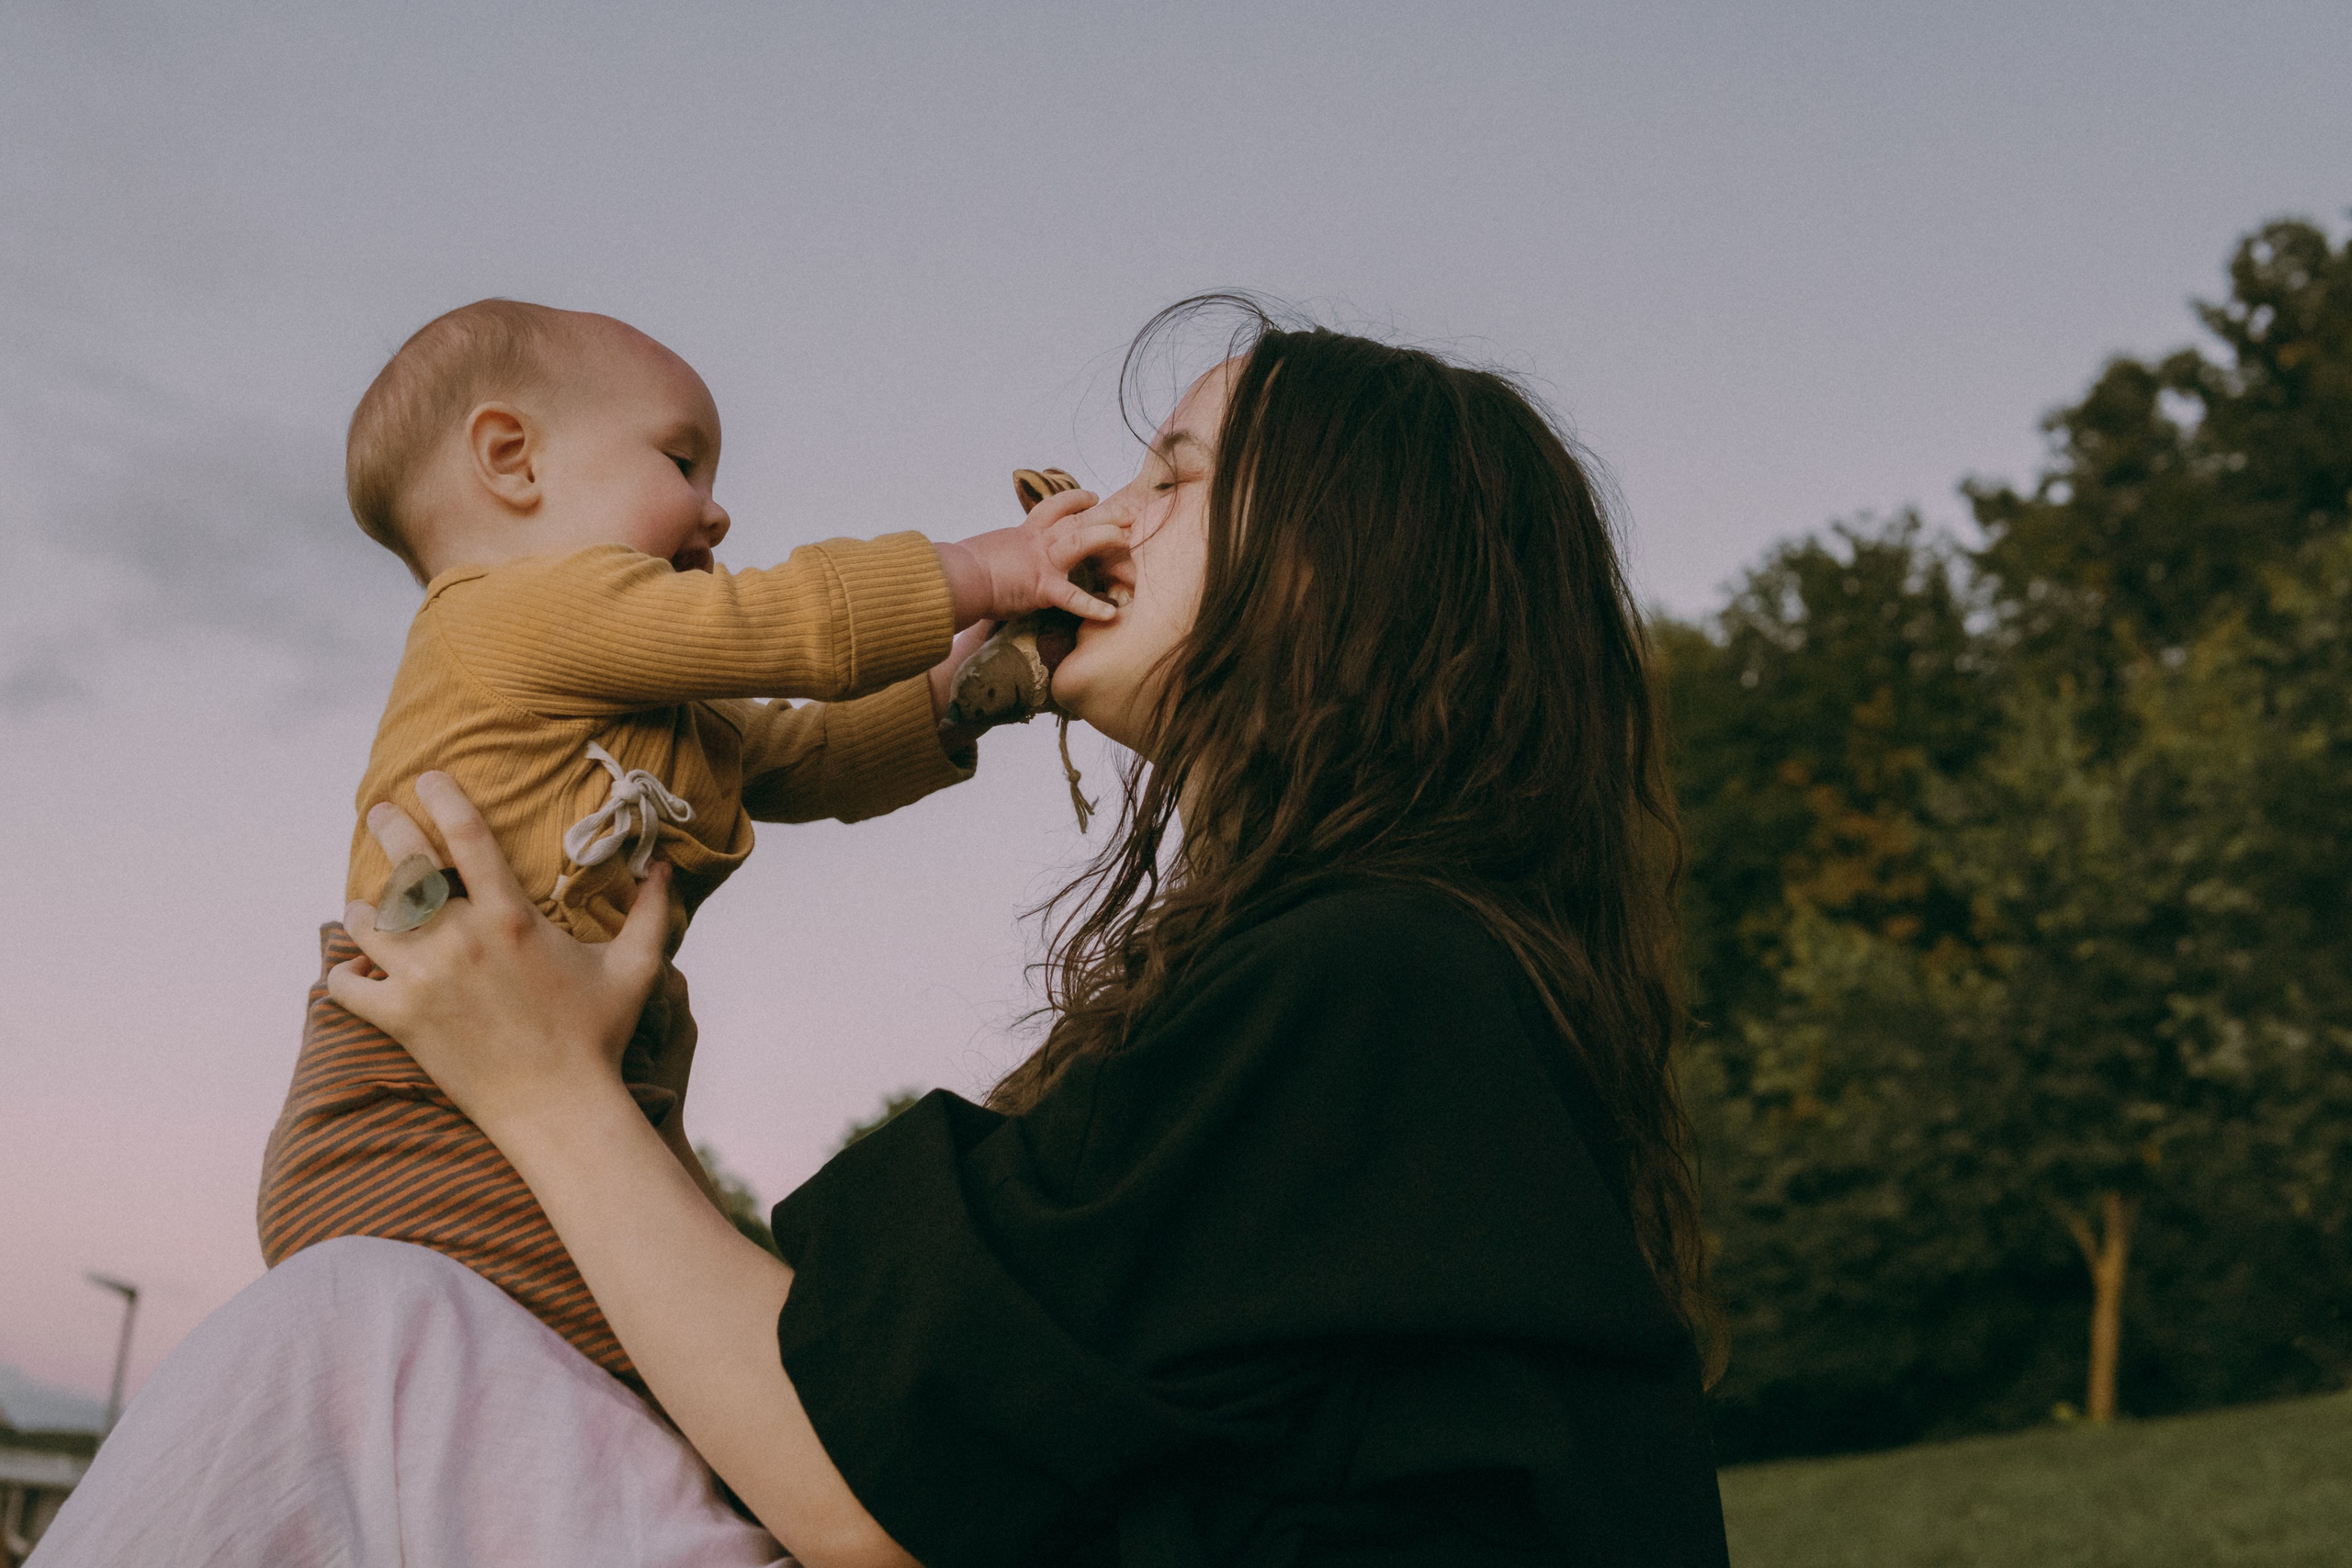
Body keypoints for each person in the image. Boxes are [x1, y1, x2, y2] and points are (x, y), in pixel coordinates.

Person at [36, 299, 1731, 1568]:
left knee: (355, 1345)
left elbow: (873, 1483)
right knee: (377, 1330)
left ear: (1334, 567)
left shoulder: (1376, 974)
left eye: (1174, 474)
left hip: (522, 1100)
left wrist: (547, 1085)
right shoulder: (1387, 981)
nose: (1108, 507)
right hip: (418, 1103)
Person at [255, 298, 1127, 1391]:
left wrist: (960, 693)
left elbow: (807, 756)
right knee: (683, 1384)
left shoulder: (661, 707)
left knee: (693, 1367)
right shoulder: (504, 613)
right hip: (418, 1111)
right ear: (512, 459)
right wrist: (990, 568)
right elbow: (780, 623)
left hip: (551, 1081)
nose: (716, 513)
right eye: (681, 462)